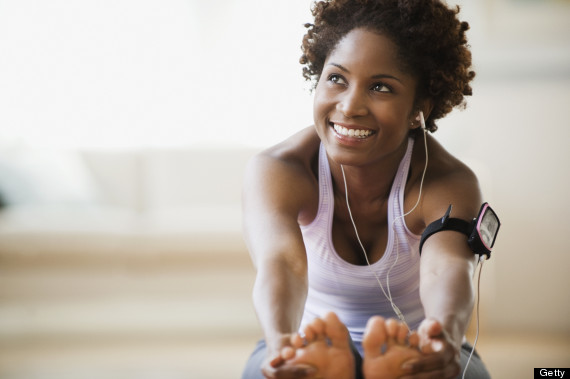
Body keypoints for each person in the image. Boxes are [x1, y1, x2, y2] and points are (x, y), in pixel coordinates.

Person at [241, 0, 491, 378]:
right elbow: (282, 265)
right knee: (265, 371)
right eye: (337, 78)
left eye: (380, 87)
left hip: (412, 341)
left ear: (418, 109)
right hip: (310, 340)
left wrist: (443, 338)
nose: (350, 105)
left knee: (460, 374)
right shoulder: (280, 170)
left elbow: (447, 267)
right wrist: (282, 344)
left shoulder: (447, 181)